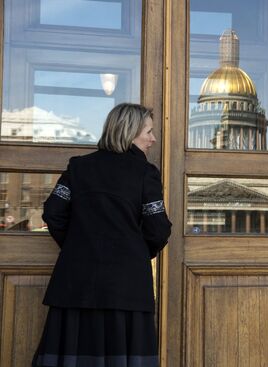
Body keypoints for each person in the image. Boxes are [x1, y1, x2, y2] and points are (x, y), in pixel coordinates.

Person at [32, 103, 172, 367]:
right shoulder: (145, 173)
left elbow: (53, 212)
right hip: (126, 286)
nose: (153, 139)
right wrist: (138, 251)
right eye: (149, 132)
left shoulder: (78, 167)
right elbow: (158, 228)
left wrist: (76, 245)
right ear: (129, 132)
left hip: (75, 282)